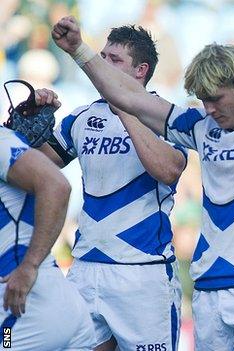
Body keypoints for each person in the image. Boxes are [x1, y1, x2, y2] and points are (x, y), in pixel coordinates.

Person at [51, 2, 234, 350]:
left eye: (215, 99)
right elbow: (127, 96)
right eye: (204, 100)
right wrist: (79, 51)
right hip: (208, 285)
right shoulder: (200, 126)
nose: (210, 109)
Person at [35, 25, 186, 351]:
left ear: (140, 70)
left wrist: (126, 106)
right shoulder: (81, 117)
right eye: (100, 57)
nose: (101, 66)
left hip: (143, 273)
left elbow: (170, 170)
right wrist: (27, 126)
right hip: (86, 268)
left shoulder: (166, 115)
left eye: (113, 60)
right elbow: (34, 169)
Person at [0, 121, 95, 350]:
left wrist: (30, 265)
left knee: (7, 342)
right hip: (55, 305)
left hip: (22, 310)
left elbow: (57, 186)